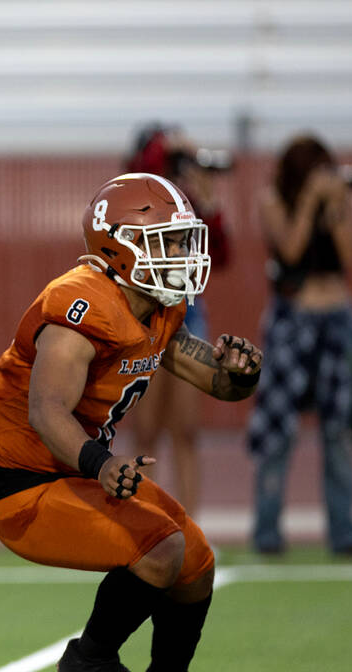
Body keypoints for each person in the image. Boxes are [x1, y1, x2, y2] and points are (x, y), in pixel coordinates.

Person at [0, 172, 262, 672]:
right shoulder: (80, 305)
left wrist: (240, 374)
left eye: (183, 242)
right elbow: (46, 411)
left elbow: (218, 385)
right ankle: (90, 661)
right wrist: (101, 464)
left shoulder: (155, 308)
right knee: (161, 548)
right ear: (120, 245)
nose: (181, 254)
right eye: (169, 242)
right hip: (28, 487)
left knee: (196, 559)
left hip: (80, 474)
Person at [247, 134, 352, 556]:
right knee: (280, 428)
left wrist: (334, 204)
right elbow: (291, 248)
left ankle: (344, 531)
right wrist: (309, 201)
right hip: (293, 319)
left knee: (338, 430)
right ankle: (266, 531)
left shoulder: (335, 201)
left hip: (338, 317)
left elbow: (349, 256)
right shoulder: (273, 199)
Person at [123, 124, 233, 518]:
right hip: (144, 316)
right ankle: (144, 524)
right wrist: (170, 146)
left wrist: (208, 197)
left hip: (187, 315)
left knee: (186, 431)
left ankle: (190, 527)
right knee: (147, 432)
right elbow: (143, 167)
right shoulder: (137, 196)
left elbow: (220, 255)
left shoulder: (186, 203)